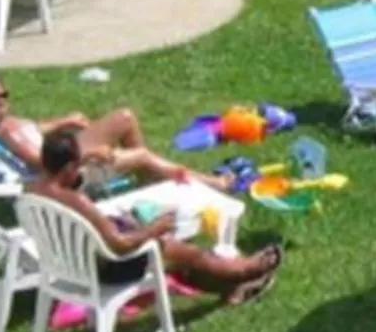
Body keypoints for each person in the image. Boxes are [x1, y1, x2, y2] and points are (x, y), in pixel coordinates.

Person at [28, 131, 280, 306]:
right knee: (183, 252)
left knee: (173, 251)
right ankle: (243, 272)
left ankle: (231, 287)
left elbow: (70, 184)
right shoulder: (77, 201)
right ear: (68, 168)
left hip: (69, 262)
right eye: (77, 164)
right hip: (106, 270)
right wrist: (154, 229)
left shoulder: (32, 190)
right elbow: (120, 245)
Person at [0, 73, 232, 192]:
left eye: (4, 94)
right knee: (141, 155)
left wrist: (64, 120)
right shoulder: (9, 134)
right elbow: (44, 163)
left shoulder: (4, 124)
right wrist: (90, 152)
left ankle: (146, 178)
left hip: (67, 150)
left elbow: (33, 131)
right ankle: (214, 184)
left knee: (125, 117)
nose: (2, 100)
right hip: (70, 173)